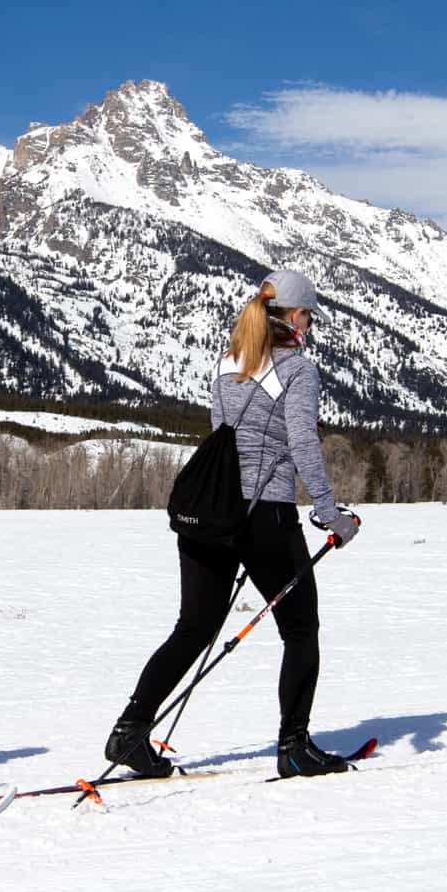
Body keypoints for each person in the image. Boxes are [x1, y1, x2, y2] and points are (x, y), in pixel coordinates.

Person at [104, 268, 366, 780]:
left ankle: (130, 731)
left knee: (194, 627)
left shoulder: (227, 363)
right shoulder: (299, 370)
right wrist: (331, 514)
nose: (310, 324)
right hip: (264, 514)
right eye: (308, 315)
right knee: (300, 629)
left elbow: (227, 436)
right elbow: (302, 445)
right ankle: (294, 747)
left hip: (212, 512)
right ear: (293, 317)